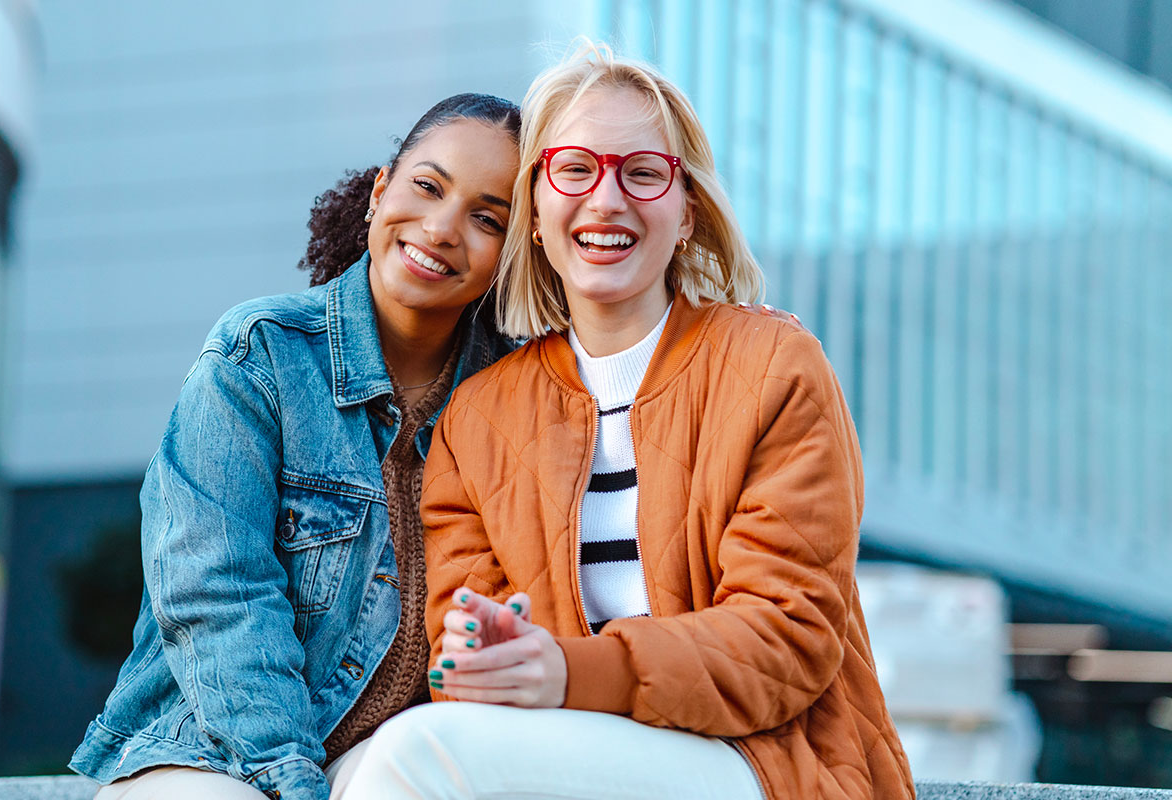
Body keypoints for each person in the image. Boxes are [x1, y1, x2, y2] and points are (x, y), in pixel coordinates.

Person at [339, 44, 916, 800]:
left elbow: (786, 635)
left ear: (687, 213)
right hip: (568, 752)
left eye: (642, 173)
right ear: (536, 213)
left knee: (412, 758)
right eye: (575, 170)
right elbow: (461, 654)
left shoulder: (774, 366)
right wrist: (485, 654)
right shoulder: (478, 417)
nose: (606, 201)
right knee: (364, 768)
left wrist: (572, 670)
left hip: (769, 764)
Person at [68, 93, 523, 800]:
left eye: (486, 218)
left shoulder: (516, 399)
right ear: (381, 191)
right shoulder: (260, 360)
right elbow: (217, 595)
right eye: (427, 187)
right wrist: (290, 781)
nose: (441, 229)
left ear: (512, 254)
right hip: (208, 752)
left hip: (386, 765)